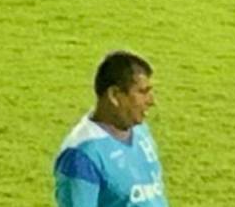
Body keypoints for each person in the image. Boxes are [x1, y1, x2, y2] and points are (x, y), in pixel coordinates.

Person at [53, 51, 167, 207]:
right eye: (142, 92)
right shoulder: (82, 155)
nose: (151, 101)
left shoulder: (140, 131)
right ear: (114, 95)